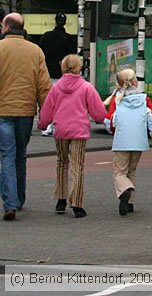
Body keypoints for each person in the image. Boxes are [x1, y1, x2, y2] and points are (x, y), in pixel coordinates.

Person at [37, 54, 106, 218]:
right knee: (78, 165)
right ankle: (77, 203)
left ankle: (61, 198)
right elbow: (98, 113)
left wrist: (42, 123)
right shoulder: (86, 87)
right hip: (79, 131)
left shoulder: (56, 87)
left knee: (62, 163)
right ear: (79, 67)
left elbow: (47, 111)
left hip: (61, 130)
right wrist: (103, 118)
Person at [0, 12, 52, 220]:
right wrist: (45, 115)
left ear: (6, 27)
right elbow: (44, 86)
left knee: (7, 156)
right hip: (25, 112)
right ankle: (19, 199)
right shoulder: (35, 51)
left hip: (2, 111)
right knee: (20, 155)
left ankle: (10, 202)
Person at [104, 68, 152, 215]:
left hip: (122, 141)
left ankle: (125, 190)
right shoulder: (144, 99)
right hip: (139, 142)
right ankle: (130, 204)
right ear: (135, 81)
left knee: (119, 172)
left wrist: (112, 131)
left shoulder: (117, 100)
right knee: (132, 170)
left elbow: (110, 121)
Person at [38, 13, 78, 136]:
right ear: (65, 22)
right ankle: (58, 125)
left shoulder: (46, 36)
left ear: (55, 21)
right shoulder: (70, 39)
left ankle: (46, 126)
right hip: (63, 74)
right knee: (61, 101)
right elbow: (72, 57)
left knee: (47, 99)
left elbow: (41, 54)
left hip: (47, 72)